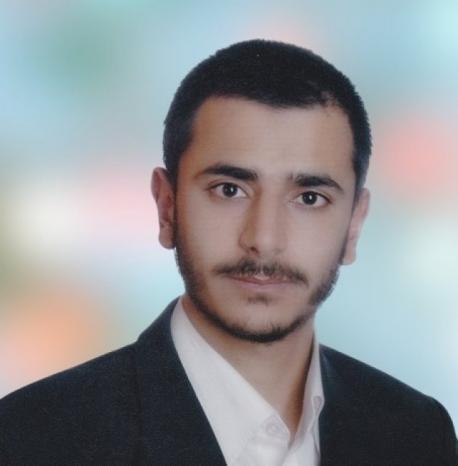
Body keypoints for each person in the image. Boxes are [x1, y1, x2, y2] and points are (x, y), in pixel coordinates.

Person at [0, 39, 456, 466]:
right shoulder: (29, 440)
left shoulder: (418, 434)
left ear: (354, 224)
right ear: (167, 206)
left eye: (309, 197)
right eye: (229, 189)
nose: (265, 238)